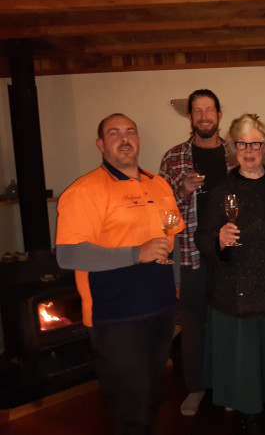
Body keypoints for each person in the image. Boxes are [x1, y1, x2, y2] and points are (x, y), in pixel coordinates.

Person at [56, 113, 184, 434]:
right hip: (115, 316)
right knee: (131, 405)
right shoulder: (84, 190)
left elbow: (174, 237)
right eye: (114, 133)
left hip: (161, 308)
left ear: (138, 141)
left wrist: (177, 286)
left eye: (130, 132)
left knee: (154, 394)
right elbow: (68, 254)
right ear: (101, 145)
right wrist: (136, 253)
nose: (124, 138)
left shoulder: (159, 183)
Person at [195, 114, 265, 435]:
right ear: (233, 148)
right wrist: (217, 240)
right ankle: (250, 414)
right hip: (238, 292)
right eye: (242, 143)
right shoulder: (222, 189)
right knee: (247, 366)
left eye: (255, 143)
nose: (249, 150)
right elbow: (203, 236)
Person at [159, 89, 228, 416]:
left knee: (229, 324)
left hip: (230, 257)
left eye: (209, 110)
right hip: (190, 257)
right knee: (193, 327)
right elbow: (163, 217)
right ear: (190, 117)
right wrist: (181, 192)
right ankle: (196, 389)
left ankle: (230, 385)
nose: (204, 116)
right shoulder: (173, 158)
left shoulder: (236, 154)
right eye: (197, 111)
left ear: (219, 115)